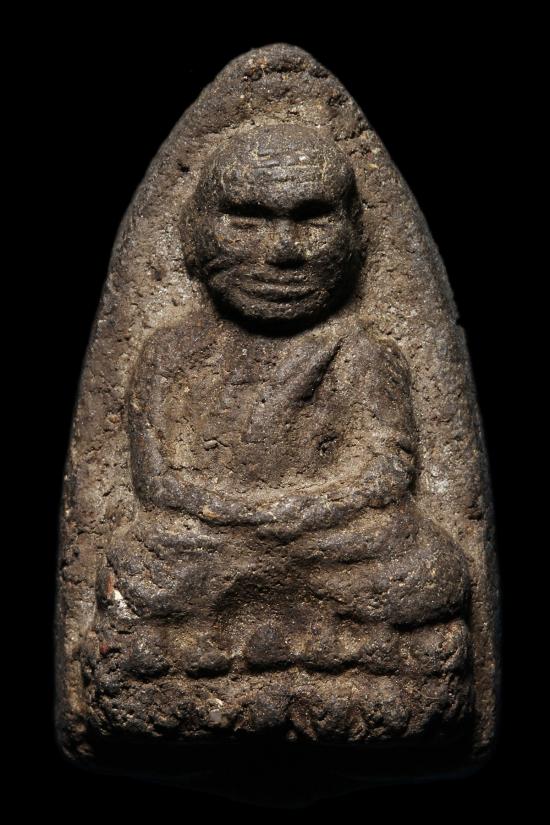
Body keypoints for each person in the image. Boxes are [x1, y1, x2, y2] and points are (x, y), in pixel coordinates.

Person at [84, 124, 473, 742]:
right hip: (210, 541)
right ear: (195, 232)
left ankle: (218, 658)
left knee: (424, 566)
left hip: (330, 540)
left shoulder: (361, 352)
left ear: (356, 236)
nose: (283, 251)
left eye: (312, 219)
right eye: (246, 220)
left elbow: (389, 471)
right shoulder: (169, 353)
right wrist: (243, 516)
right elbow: (157, 484)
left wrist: (299, 513)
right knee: (147, 560)